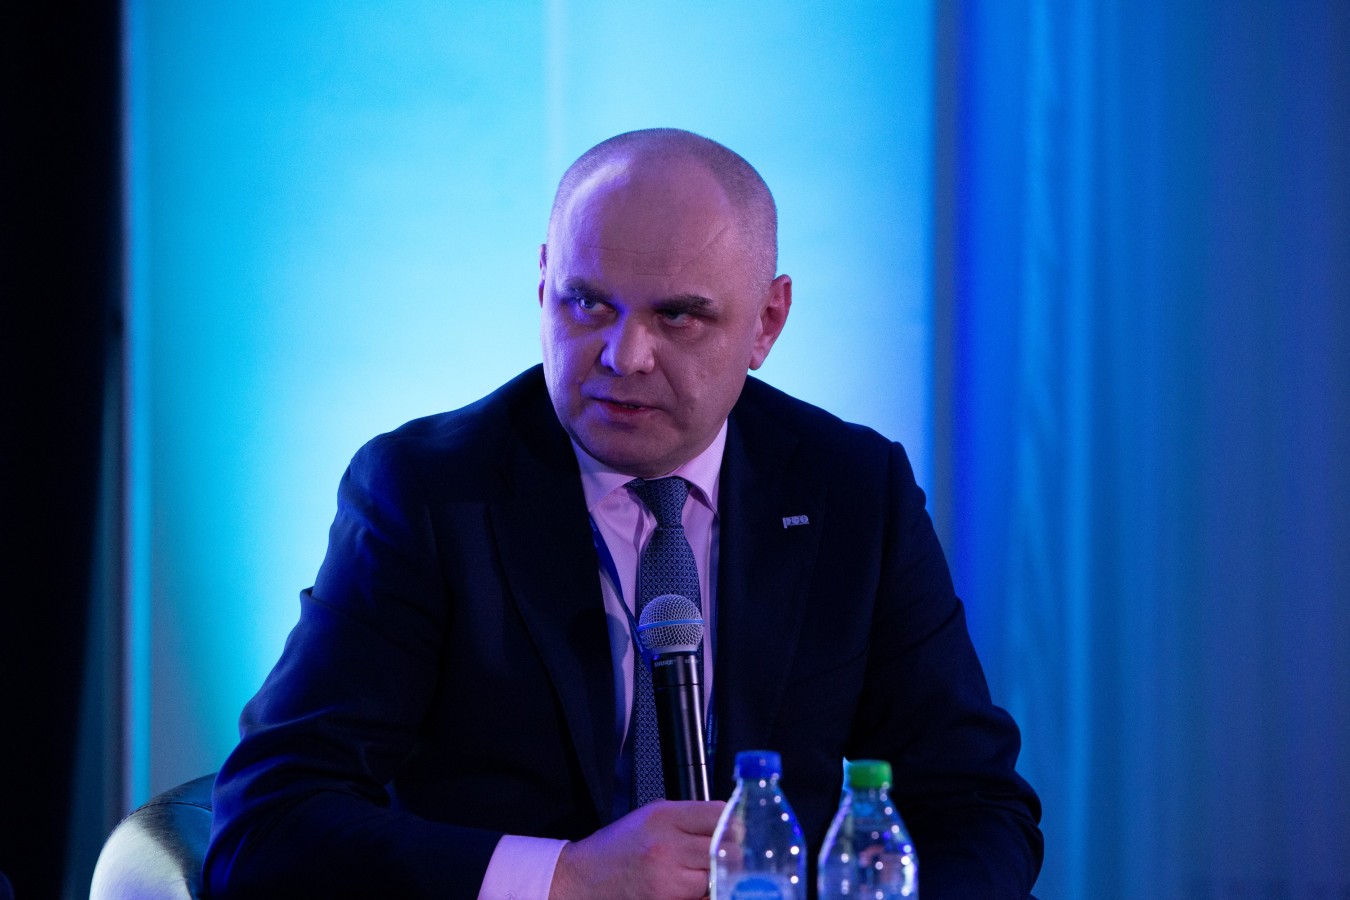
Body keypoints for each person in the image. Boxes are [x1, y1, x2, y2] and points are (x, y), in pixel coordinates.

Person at [204, 128, 1042, 899]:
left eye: (678, 315)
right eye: (587, 304)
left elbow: (975, 806)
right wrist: (563, 879)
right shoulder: (426, 493)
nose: (623, 356)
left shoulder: (853, 490)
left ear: (768, 322)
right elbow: (267, 825)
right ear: (542, 282)